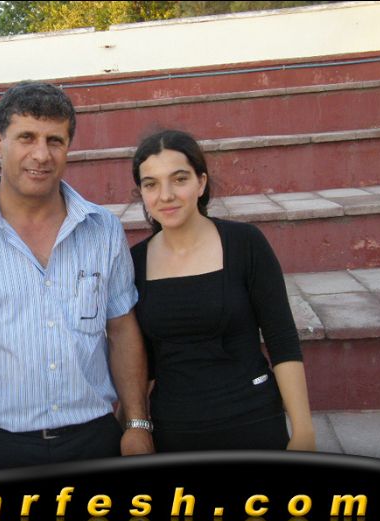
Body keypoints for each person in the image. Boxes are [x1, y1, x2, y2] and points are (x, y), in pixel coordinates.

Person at [0, 81, 154, 473]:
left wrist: (137, 423)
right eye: (26, 137)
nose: (41, 155)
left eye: (54, 140)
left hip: (95, 439)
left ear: (68, 147)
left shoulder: (103, 229)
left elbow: (122, 329)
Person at [130, 129, 316, 453]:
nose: (166, 195)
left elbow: (282, 339)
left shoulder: (245, 243)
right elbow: (140, 359)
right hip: (174, 431)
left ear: (201, 183)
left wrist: (303, 430)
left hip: (253, 421)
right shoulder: (134, 262)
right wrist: (134, 425)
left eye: (179, 179)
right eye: (151, 184)